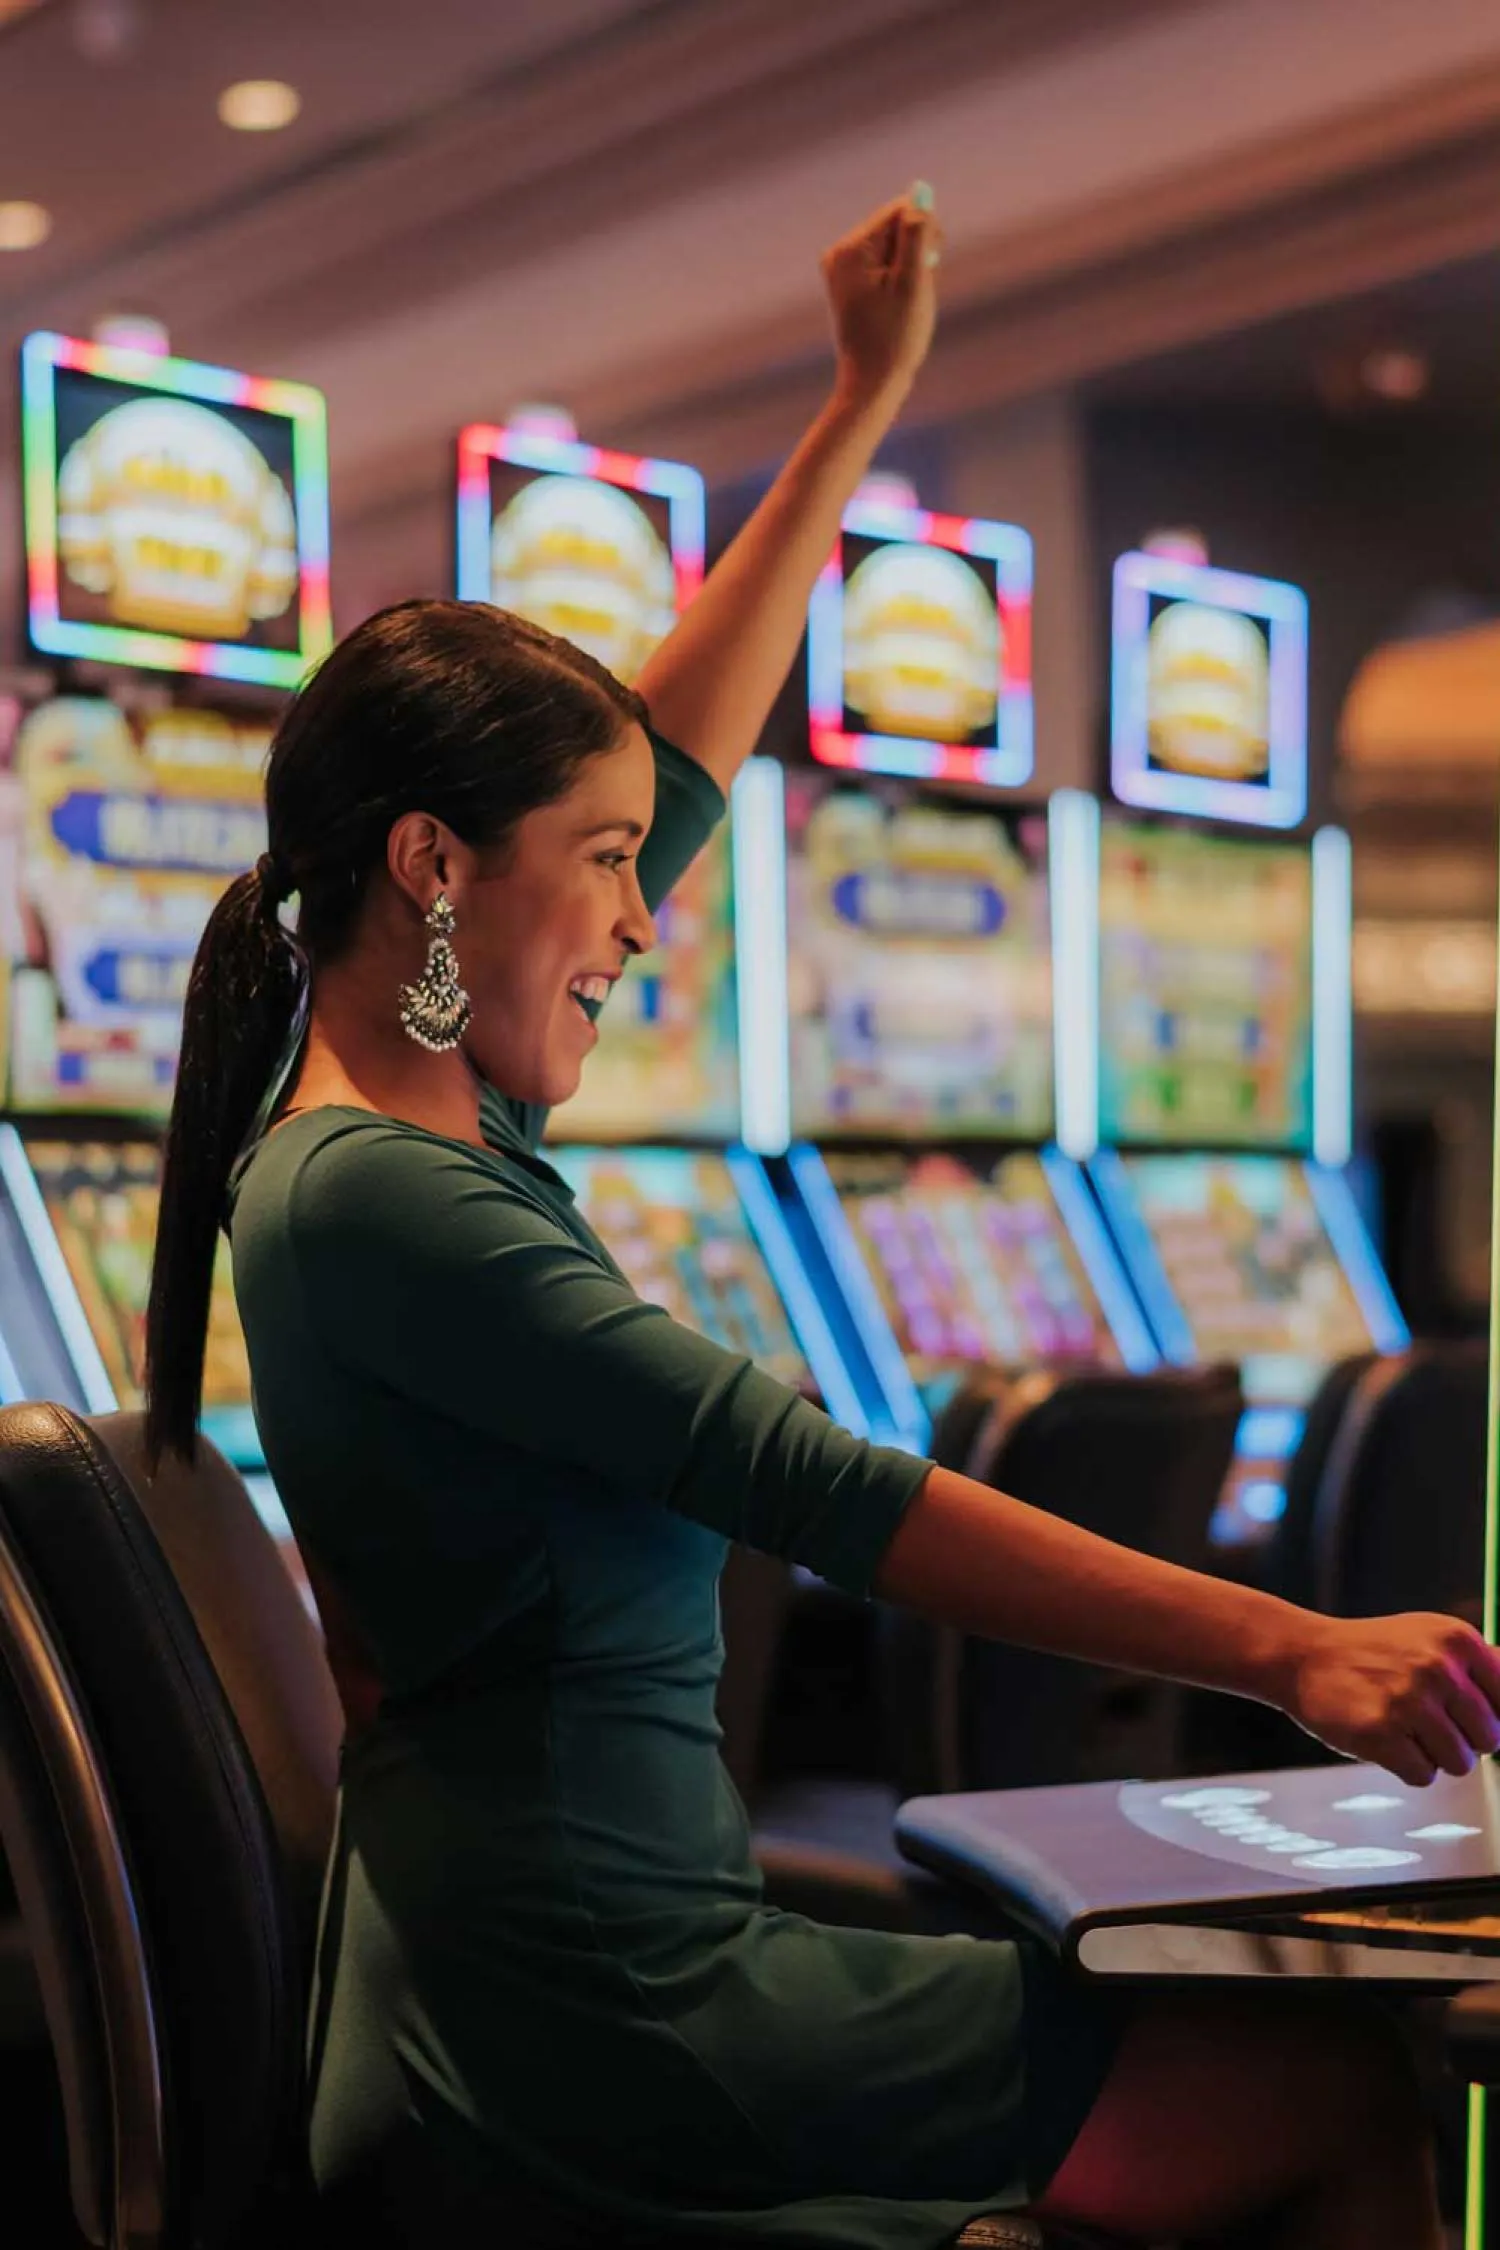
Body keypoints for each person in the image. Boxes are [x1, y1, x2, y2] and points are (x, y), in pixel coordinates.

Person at [145, 189, 1497, 2250]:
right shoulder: (381, 1199)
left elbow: (673, 758)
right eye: (598, 873)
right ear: (433, 866)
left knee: (1278, 2029)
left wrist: (860, 408)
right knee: (1313, 2073)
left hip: (606, 1948)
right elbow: (815, 1482)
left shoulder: (403, 1133)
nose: (634, 921)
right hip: (598, 2015)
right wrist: (1294, 1649)